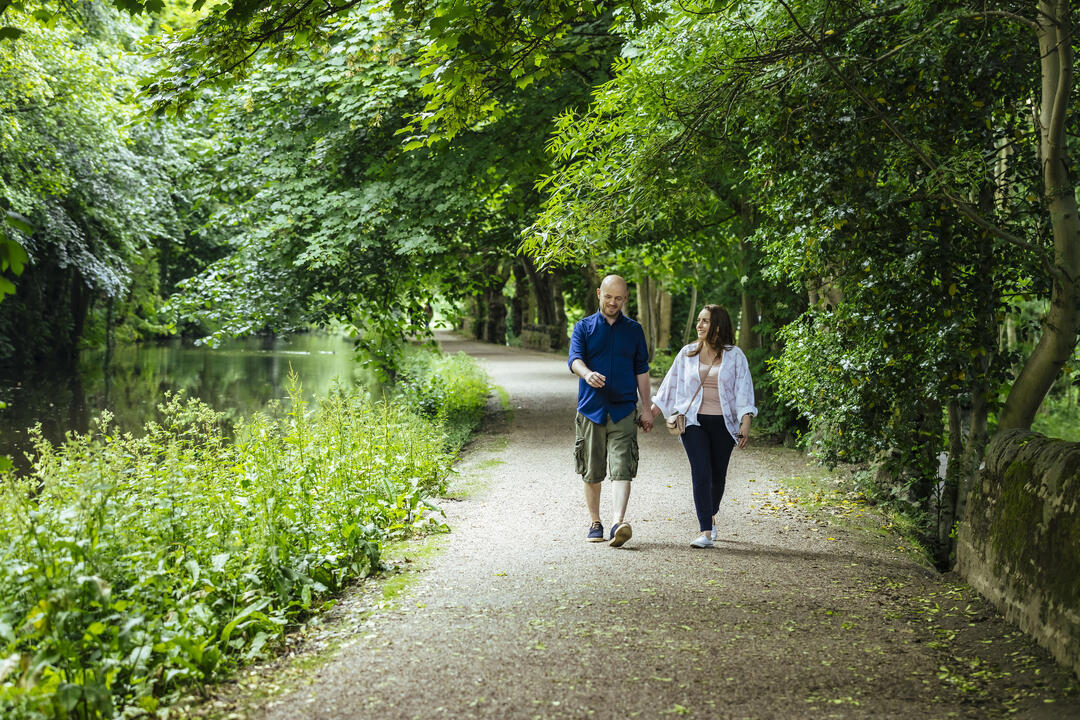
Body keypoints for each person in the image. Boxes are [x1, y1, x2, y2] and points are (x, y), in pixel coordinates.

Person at [650, 305, 756, 548]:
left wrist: (746, 422)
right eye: (698, 320)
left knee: (717, 477)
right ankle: (705, 532)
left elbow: (744, 391)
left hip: (724, 423)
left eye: (705, 321)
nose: (699, 325)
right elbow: (669, 385)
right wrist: (651, 414)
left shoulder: (735, 355)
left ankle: (710, 513)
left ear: (718, 326)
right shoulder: (687, 353)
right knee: (701, 472)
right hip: (693, 421)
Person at [568, 274, 654, 547]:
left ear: (625, 298)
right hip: (592, 409)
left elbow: (642, 370)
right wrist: (587, 373)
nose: (613, 302)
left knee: (622, 468)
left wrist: (647, 408)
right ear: (598, 294)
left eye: (618, 298)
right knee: (592, 471)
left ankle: (618, 522)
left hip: (624, 410)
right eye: (608, 297)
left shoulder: (634, 330)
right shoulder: (584, 327)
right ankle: (595, 522)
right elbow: (574, 360)